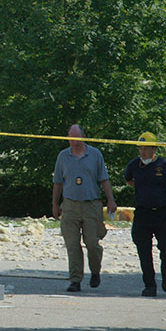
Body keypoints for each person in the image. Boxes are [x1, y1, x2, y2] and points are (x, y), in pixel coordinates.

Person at [52, 124, 117, 292]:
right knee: (72, 245)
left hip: (91, 205)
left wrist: (111, 200)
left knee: (92, 244)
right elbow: (58, 182)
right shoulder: (63, 156)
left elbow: (104, 179)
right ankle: (75, 280)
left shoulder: (95, 154)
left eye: (76, 138)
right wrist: (54, 204)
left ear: (83, 137)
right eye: (70, 138)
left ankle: (95, 271)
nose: (73, 142)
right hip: (70, 205)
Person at [124, 132, 166, 297]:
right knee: (143, 251)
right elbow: (129, 180)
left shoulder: (164, 166)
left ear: (154, 148)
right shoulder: (133, 166)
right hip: (143, 213)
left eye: (146, 148)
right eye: (140, 148)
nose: (142, 152)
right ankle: (149, 285)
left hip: (163, 214)